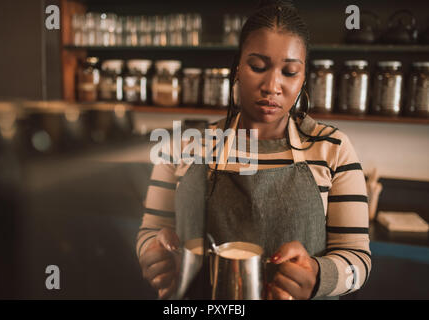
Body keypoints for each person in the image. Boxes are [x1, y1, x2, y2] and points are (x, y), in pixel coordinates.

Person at [137, 0, 371, 300]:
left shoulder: (333, 149)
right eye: (258, 67)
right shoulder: (182, 146)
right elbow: (149, 231)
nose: (272, 85)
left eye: (289, 72)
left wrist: (318, 275)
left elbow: (358, 259)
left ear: (302, 81)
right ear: (236, 69)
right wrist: (152, 253)